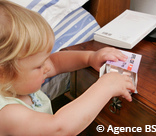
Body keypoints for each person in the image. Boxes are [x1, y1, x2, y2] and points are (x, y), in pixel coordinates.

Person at [0, 0, 135, 135]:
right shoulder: (7, 114)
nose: (46, 68)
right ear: (3, 73)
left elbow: (55, 63)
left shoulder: (15, 82)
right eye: (39, 66)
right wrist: (107, 86)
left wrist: (89, 58)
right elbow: (59, 128)